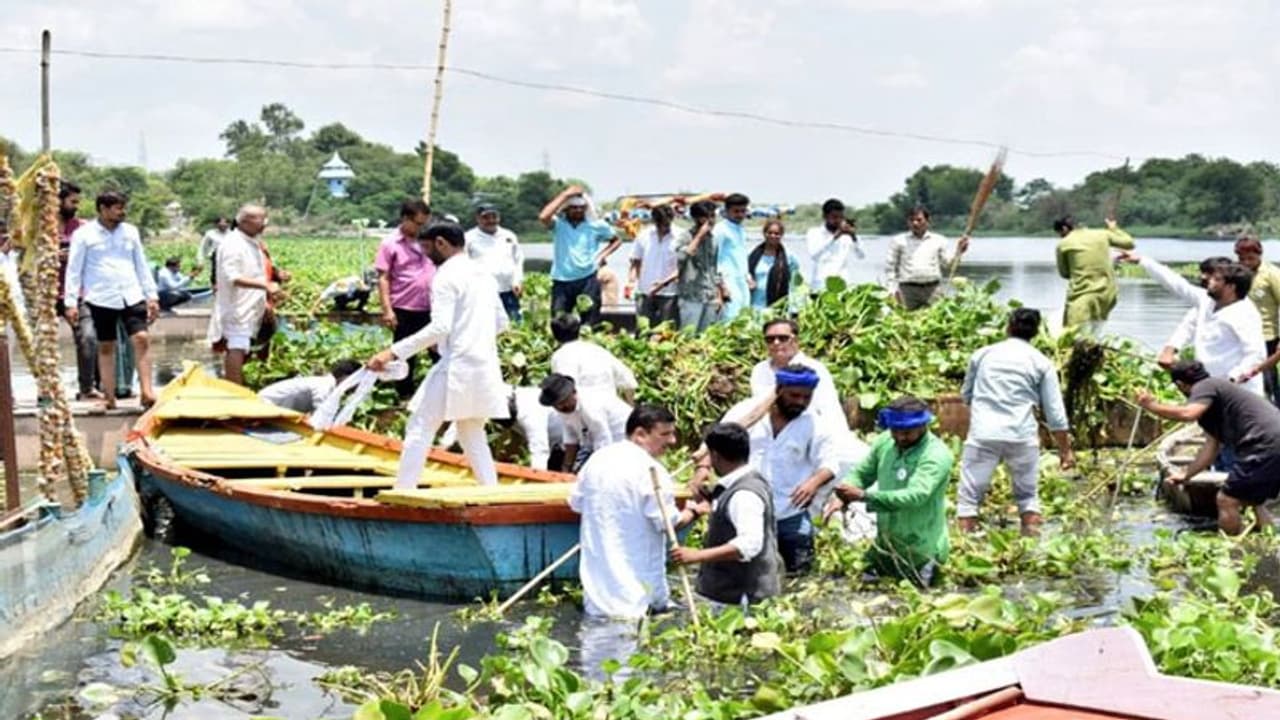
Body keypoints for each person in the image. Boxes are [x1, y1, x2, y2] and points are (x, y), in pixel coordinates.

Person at [367, 221, 509, 488]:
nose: (425, 255)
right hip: (484, 364)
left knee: (419, 426)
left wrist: (393, 352)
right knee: (471, 433)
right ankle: (490, 491)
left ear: (441, 243)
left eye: (426, 248)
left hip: (457, 365)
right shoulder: (483, 274)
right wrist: (460, 337)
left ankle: (404, 491)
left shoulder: (445, 276)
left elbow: (440, 327)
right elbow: (502, 323)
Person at [568, 404, 707, 620]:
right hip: (638, 599)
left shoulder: (597, 460)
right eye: (665, 434)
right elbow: (668, 523)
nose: (672, 441)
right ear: (640, 434)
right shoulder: (652, 471)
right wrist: (695, 511)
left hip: (597, 599)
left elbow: (576, 503)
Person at [956, 308, 1075, 536]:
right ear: (1036, 333)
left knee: (968, 500)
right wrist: (1065, 451)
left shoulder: (982, 355)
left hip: (984, 433)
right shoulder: (1041, 362)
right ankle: (1030, 545)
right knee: (1028, 498)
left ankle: (966, 543)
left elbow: (966, 395)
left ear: (1008, 327)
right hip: (1022, 435)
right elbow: (1055, 413)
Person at [716, 364, 839, 574]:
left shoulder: (814, 423)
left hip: (791, 513)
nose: (800, 402)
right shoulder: (747, 414)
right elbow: (716, 445)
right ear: (779, 390)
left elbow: (830, 463)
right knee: (744, 575)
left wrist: (813, 483)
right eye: (794, 396)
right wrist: (703, 471)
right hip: (747, 512)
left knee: (799, 577)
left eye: (806, 397)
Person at [1137, 361, 1280, 535]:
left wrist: (1152, 406)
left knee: (1226, 500)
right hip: (1270, 443)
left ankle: (1232, 546)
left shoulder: (1205, 386)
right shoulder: (1215, 397)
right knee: (1254, 500)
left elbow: (1188, 414)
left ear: (1180, 384)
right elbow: (1210, 448)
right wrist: (1186, 475)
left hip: (1265, 444)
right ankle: (1267, 538)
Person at [824, 396, 954, 586]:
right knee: (863, 588)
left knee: (918, 599)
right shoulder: (885, 442)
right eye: (895, 431)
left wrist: (864, 496)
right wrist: (842, 495)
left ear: (923, 426)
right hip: (886, 547)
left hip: (923, 551)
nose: (900, 437)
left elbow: (916, 496)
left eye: (907, 433)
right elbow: (863, 473)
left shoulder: (935, 455)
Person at [1118, 250, 1265, 396]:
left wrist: (1231, 379)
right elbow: (1177, 284)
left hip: (1239, 392)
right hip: (1208, 387)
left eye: (1216, 280)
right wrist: (1142, 260)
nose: (1209, 281)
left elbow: (1256, 355)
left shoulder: (1245, 314)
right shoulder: (1206, 301)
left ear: (1231, 287)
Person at [63, 191, 159, 408]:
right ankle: (109, 397)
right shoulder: (84, 234)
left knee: (142, 338)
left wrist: (151, 295)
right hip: (101, 296)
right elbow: (74, 269)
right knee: (106, 346)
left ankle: (147, 392)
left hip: (131, 293)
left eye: (123, 208)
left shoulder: (130, 232)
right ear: (103, 209)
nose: (122, 212)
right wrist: (70, 302)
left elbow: (141, 264)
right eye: (117, 208)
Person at [670, 422, 782, 607]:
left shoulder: (744, 494)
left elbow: (748, 545)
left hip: (742, 596)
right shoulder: (745, 482)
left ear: (714, 455)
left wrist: (697, 555)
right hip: (733, 593)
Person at [208, 204, 278, 386]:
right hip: (237, 306)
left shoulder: (252, 243)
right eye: (261, 219)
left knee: (244, 346)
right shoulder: (233, 244)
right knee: (237, 346)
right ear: (245, 221)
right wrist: (265, 285)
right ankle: (235, 390)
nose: (265, 224)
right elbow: (233, 277)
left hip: (251, 305)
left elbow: (257, 272)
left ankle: (240, 386)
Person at [376, 199, 436, 399]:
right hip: (404, 307)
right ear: (405, 219)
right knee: (404, 354)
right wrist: (387, 310)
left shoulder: (430, 240)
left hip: (431, 306)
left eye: (424, 224)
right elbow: (383, 278)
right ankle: (404, 395)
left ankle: (440, 393)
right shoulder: (390, 243)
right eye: (418, 224)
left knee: (438, 351)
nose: (421, 228)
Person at [539, 185, 621, 326]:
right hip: (562, 279)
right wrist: (565, 194)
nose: (578, 210)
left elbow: (616, 240)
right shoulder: (559, 225)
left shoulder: (596, 225)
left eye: (581, 207)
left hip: (587, 278)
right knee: (559, 321)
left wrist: (602, 256)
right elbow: (543, 217)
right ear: (566, 209)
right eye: (574, 207)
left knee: (589, 321)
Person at [747, 318, 845, 431]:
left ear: (796, 340)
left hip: (809, 432)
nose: (776, 342)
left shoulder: (815, 368)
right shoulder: (759, 370)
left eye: (783, 338)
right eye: (770, 339)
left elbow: (830, 409)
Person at [440, 384, 564, 471]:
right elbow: (467, 416)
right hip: (554, 447)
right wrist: (443, 447)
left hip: (565, 446)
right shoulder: (495, 395)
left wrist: (536, 481)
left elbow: (540, 450)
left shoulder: (530, 409)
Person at [55, 179, 101, 401]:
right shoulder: (39, 227)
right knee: (42, 344)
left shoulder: (83, 228)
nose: (76, 206)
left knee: (88, 338)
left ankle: (87, 387)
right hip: (45, 294)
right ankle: (47, 391)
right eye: (72, 202)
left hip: (78, 294)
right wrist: (51, 256)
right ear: (57, 201)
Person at [1054, 215, 1135, 333]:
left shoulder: (1063, 244)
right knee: (1096, 330)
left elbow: (1064, 273)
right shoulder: (1102, 234)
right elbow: (1129, 243)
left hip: (1081, 295)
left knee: (1073, 333)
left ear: (1064, 229)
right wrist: (1113, 228)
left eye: (1060, 233)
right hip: (1106, 294)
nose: (1060, 236)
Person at [539, 373, 632, 472]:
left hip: (622, 441)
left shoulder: (590, 405)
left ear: (573, 392)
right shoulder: (564, 409)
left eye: (563, 402)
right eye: (556, 405)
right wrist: (567, 467)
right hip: (592, 443)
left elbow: (602, 440)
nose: (561, 407)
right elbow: (571, 437)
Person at [884, 205, 970, 310]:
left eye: (919, 220)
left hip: (933, 289)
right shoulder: (898, 241)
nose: (915, 223)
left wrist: (959, 252)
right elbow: (890, 267)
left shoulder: (939, 240)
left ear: (928, 221)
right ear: (908, 222)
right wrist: (891, 290)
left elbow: (948, 265)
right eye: (911, 220)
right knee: (903, 317)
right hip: (907, 290)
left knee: (937, 317)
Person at [548, 313, 637, 402]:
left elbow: (564, 390)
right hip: (609, 406)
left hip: (583, 408)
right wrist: (629, 405)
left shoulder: (561, 356)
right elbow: (629, 379)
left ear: (554, 335)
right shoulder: (598, 350)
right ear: (579, 331)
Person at [1235, 235, 1280, 406]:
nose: (1246, 263)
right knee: (1243, 376)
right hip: (1241, 334)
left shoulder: (1272, 274)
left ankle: (1275, 412)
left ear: (1259, 254)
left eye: (1250, 258)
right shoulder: (1236, 275)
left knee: (1267, 379)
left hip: (1266, 336)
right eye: (1242, 259)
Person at [465, 204, 524, 322]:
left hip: (508, 290)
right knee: (486, 324)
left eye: (494, 217)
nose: (491, 220)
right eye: (486, 217)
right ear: (478, 219)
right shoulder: (468, 238)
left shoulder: (509, 235)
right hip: (483, 292)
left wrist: (517, 280)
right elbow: (463, 264)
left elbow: (518, 259)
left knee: (515, 323)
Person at [627, 204, 681, 327]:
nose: (663, 228)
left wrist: (663, 283)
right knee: (643, 329)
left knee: (667, 331)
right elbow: (635, 261)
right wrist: (631, 282)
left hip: (670, 293)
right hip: (645, 291)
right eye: (660, 224)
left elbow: (684, 267)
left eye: (666, 224)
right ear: (654, 221)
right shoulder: (644, 235)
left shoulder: (681, 236)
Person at [675, 200, 724, 332]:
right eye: (706, 217)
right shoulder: (685, 236)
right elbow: (681, 257)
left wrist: (719, 295)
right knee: (688, 334)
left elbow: (714, 269)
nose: (711, 221)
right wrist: (699, 237)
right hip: (691, 295)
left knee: (706, 335)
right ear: (696, 218)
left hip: (710, 295)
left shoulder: (713, 240)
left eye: (713, 216)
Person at [804, 198, 864, 292]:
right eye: (835, 217)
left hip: (843, 286)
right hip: (821, 286)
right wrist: (834, 237)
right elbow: (814, 255)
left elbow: (861, 256)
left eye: (841, 217)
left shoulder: (847, 235)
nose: (838, 220)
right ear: (825, 216)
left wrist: (853, 236)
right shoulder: (814, 233)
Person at [259, 359, 361, 414]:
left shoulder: (324, 383)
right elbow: (321, 414)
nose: (356, 386)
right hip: (264, 406)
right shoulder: (324, 386)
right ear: (346, 377)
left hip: (273, 408)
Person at [714, 193, 752, 321]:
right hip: (727, 281)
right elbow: (714, 260)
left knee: (744, 317)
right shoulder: (720, 230)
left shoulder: (741, 230)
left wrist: (748, 277)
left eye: (743, 211)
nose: (740, 215)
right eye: (736, 211)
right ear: (727, 211)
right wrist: (721, 287)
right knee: (730, 318)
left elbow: (741, 256)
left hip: (741, 280)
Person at [748, 219, 801, 310]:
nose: (773, 236)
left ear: (782, 235)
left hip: (777, 307)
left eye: (777, 233)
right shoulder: (751, 255)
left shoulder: (789, 257)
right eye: (770, 233)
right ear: (764, 233)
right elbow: (743, 273)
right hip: (754, 305)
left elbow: (794, 285)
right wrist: (748, 280)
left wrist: (794, 308)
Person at [200, 217, 230, 286]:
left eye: (225, 223)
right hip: (215, 257)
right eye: (221, 224)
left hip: (228, 257)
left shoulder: (232, 234)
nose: (223, 225)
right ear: (216, 224)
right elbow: (203, 247)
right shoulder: (210, 234)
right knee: (215, 277)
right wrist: (201, 260)